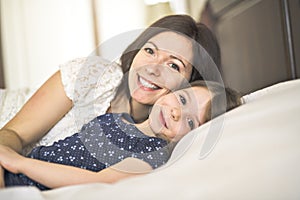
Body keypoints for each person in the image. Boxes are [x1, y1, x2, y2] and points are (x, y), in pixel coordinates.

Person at [0, 14, 221, 187]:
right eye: (150, 51)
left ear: (193, 85)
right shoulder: (91, 77)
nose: (153, 68)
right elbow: (14, 134)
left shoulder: (158, 148)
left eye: (174, 65)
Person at [0, 81, 242, 190]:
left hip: (22, 180)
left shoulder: (152, 156)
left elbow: (98, 182)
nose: (176, 113)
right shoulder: (119, 118)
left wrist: (20, 164)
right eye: (182, 99)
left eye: (190, 121)